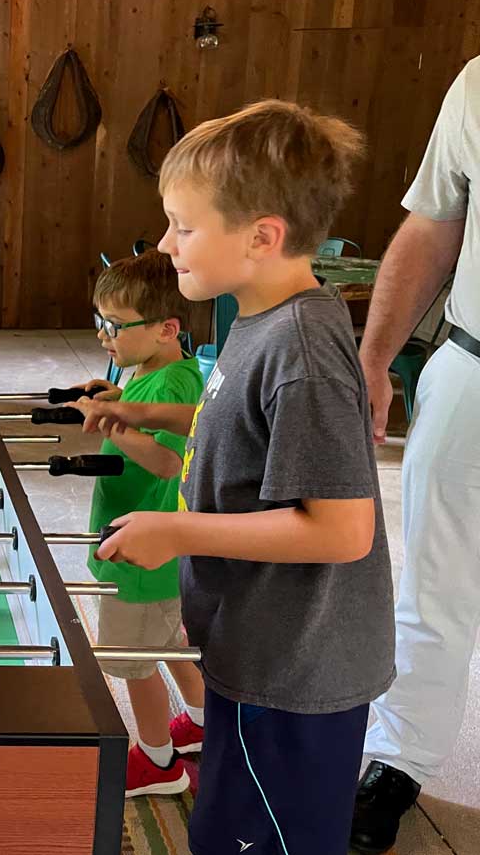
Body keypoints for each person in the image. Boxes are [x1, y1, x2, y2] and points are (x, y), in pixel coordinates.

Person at [79, 100, 394, 854]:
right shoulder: (255, 322)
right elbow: (247, 437)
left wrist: (178, 529)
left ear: (261, 237)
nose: (165, 243)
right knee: (223, 825)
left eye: (183, 226)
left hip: (294, 674)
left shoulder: (303, 352)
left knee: (261, 837)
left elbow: (343, 528)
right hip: (251, 646)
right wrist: (148, 418)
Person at [350, 56, 479, 853]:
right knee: (432, 587)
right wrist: (373, 356)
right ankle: (396, 763)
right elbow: (435, 223)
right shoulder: (477, 82)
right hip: (474, 363)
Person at [80, 250, 206, 797]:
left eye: (114, 326)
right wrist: (118, 401)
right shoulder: (153, 372)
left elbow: (168, 462)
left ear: (165, 329)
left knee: (133, 663)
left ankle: (158, 762)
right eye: (99, 322)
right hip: (145, 546)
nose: (105, 336)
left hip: (142, 550)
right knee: (168, 641)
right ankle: (203, 724)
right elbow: (142, 420)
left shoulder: (176, 386)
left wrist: (113, 421)